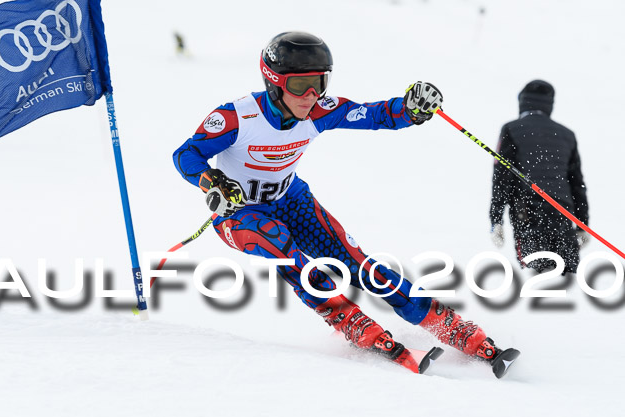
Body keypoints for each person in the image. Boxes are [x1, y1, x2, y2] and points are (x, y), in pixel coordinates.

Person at [173, 31, 518, 376]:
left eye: (319, 83)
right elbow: (186, 154)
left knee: (360, 266)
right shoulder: (237, 117)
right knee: (281, 244)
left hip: (292, 200)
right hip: (239, 215)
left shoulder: (320, 111)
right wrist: (211, 182)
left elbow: (372, 114)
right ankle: (353, 323)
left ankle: (452, 327)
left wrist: (410, 109)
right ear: (274, 83)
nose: (310, 96)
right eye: (299, 86)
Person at [490, 80, 589, 274]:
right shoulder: (566, 134)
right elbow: (577, 184)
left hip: (527, 211)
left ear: (522, 101)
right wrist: (582, 224)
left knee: (537, 274)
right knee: (568, 276)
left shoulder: (511, 129)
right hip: (562, 213)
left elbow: (502, 178)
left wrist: (496, 220)